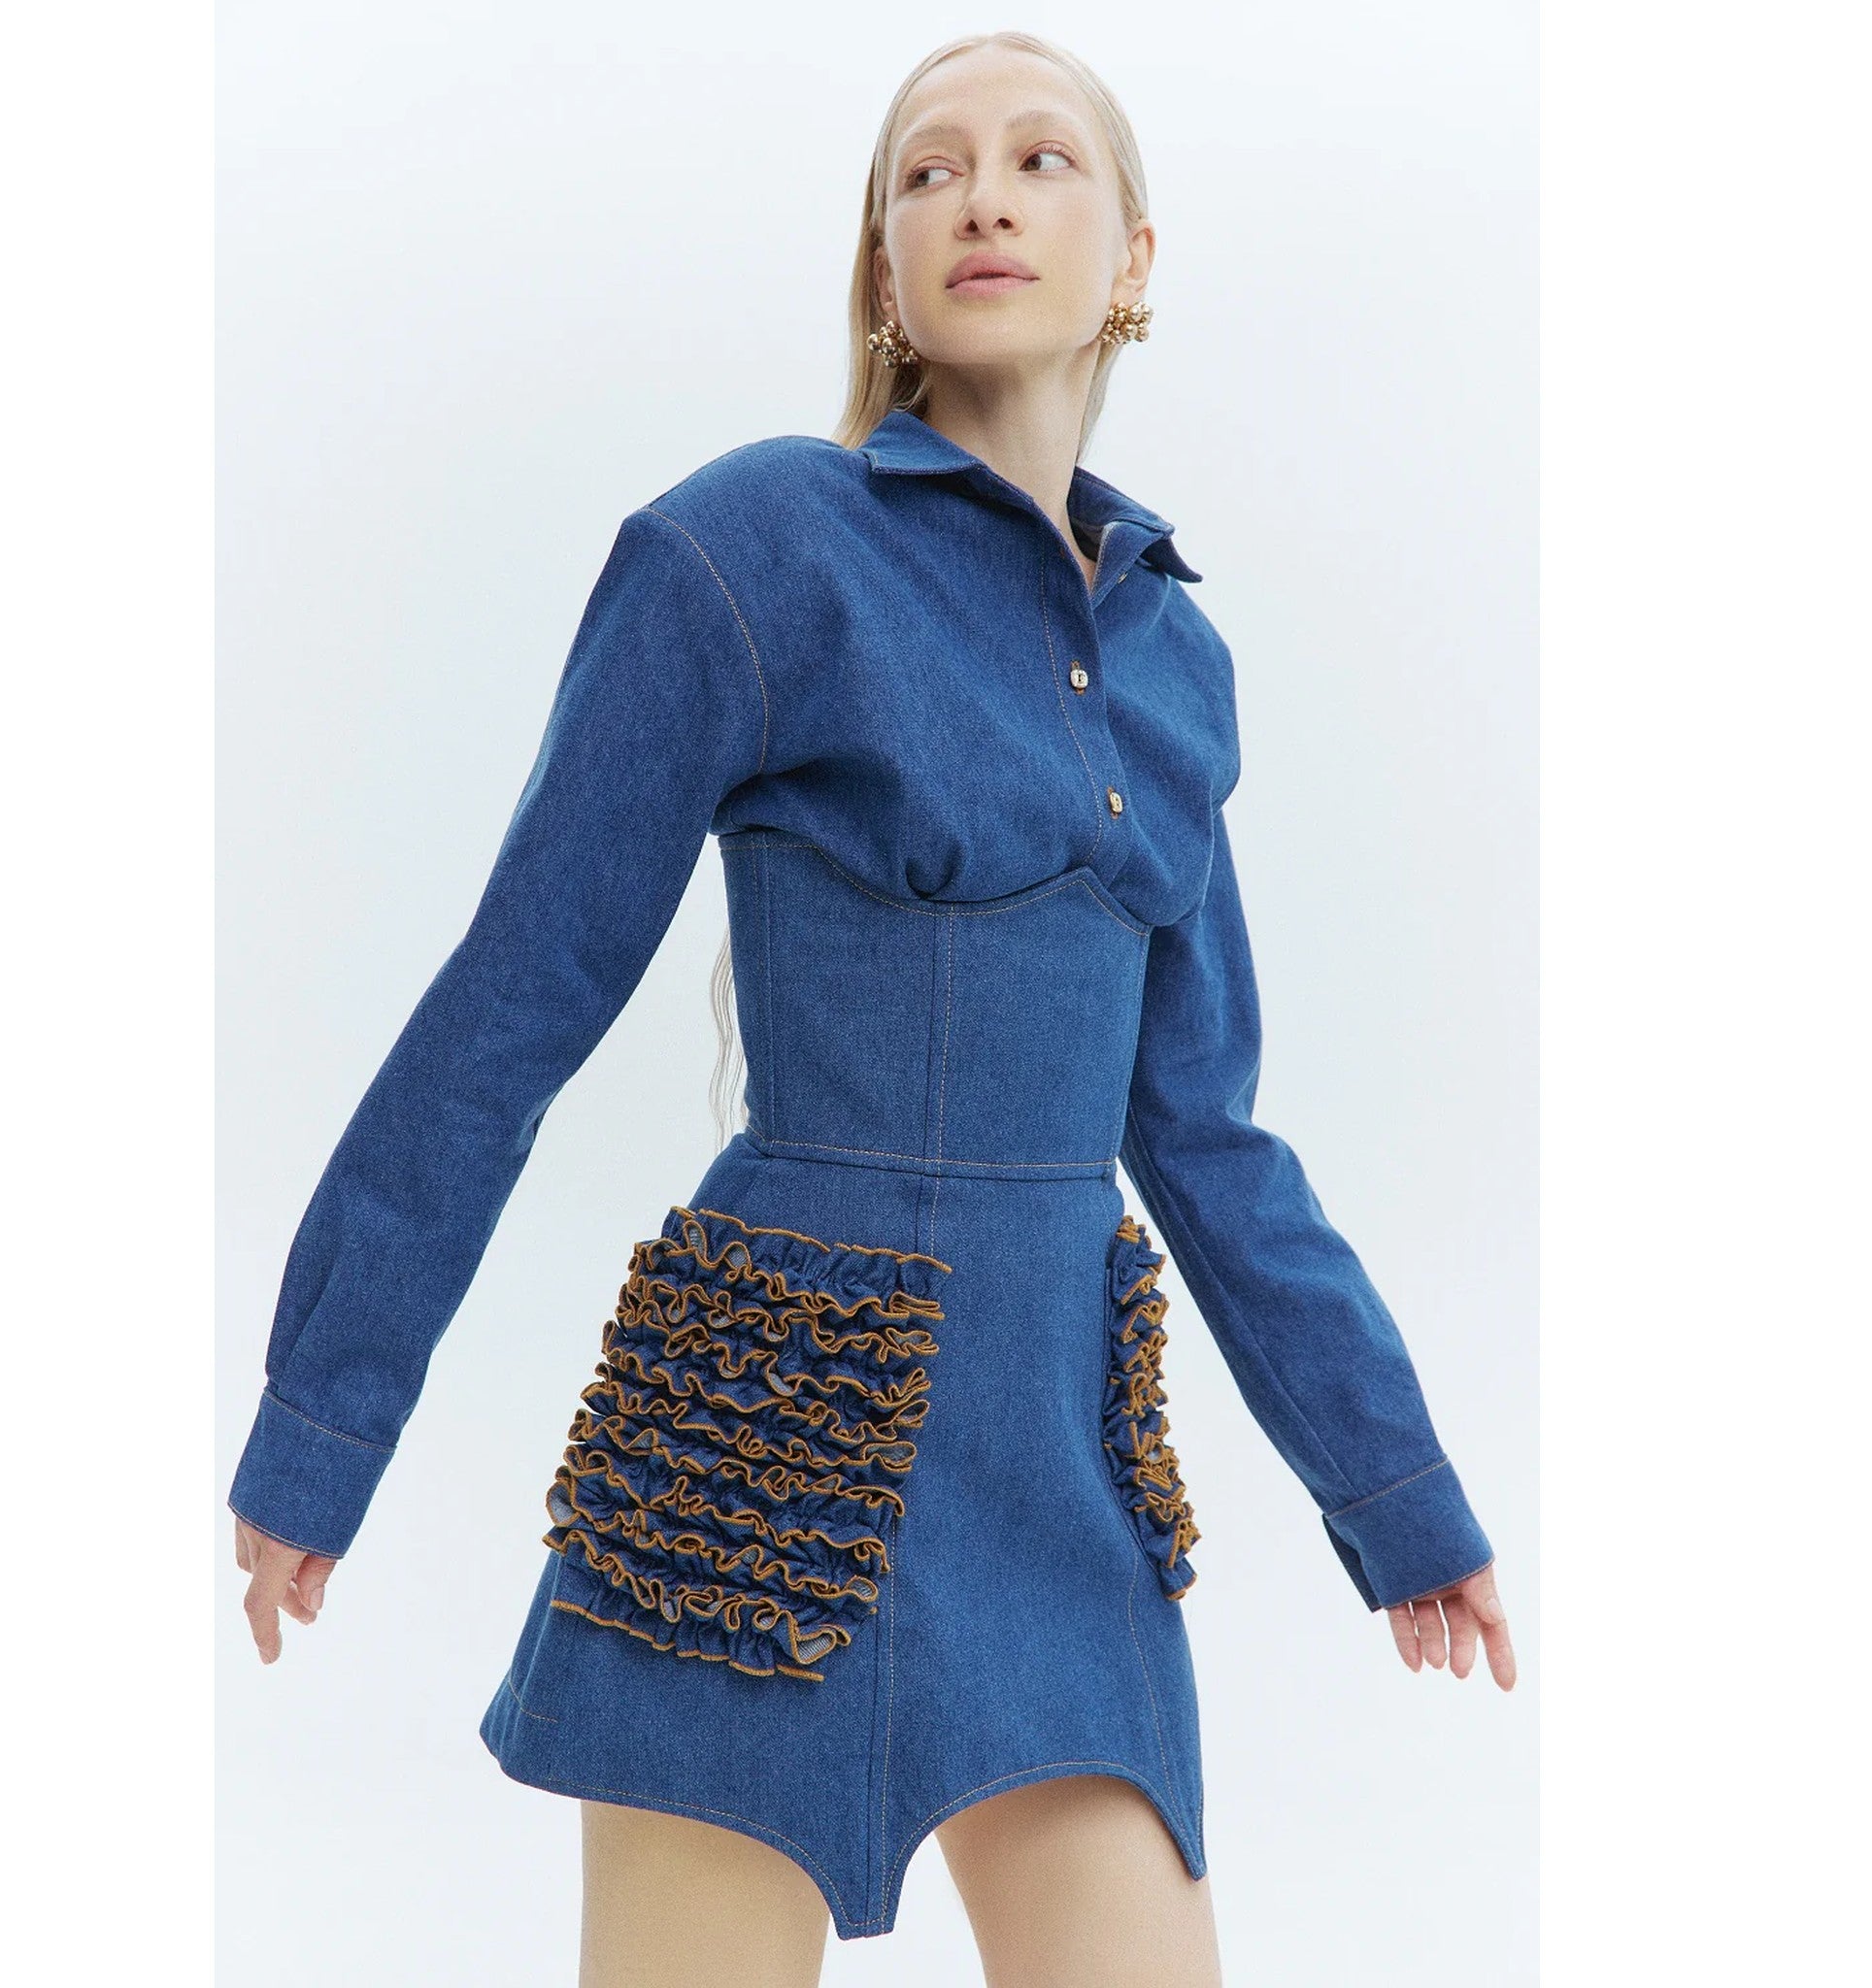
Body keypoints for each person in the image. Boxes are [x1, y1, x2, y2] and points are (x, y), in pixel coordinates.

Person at [226, 28, 1517, 1987]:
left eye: (1039, 158)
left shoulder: (1173, 657)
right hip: (758, 1464)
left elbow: (1208, 1137)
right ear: (888, 274)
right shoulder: (749, 549)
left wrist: (1397, 1492)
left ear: (1134, 256)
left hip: (1057, 1482)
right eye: (927, 171)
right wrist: (323, 1422)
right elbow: (514, 999)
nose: (980, 194)